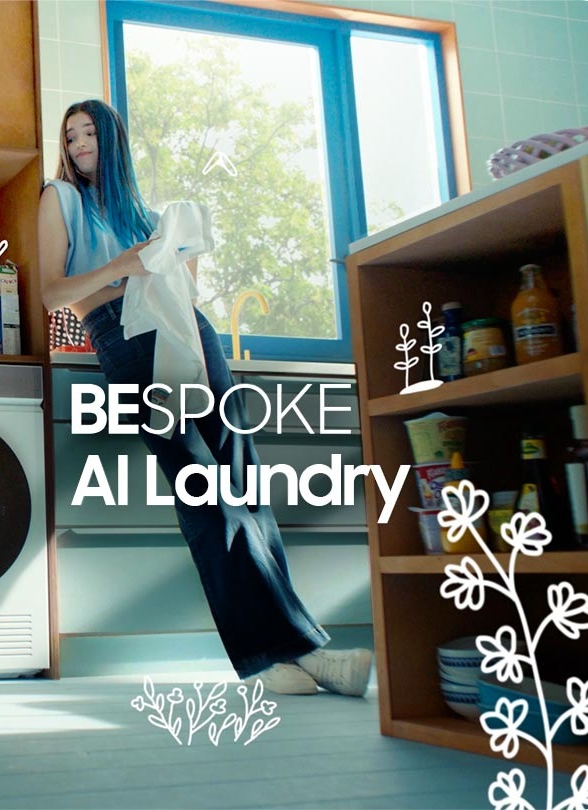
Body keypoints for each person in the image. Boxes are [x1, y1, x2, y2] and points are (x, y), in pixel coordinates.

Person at [39, 99, 371, 697]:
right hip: (123, 334)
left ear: (112, 140)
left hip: (190, 333)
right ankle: (290, 653)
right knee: (204, 487)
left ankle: (286, 654)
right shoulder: (58, 198)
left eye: (90, 133)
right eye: (71, 135)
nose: (80, 143)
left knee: (243, 484)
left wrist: (175, 256)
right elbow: (52, 293)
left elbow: (183, 290)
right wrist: (125, 266)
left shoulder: (142, 210)